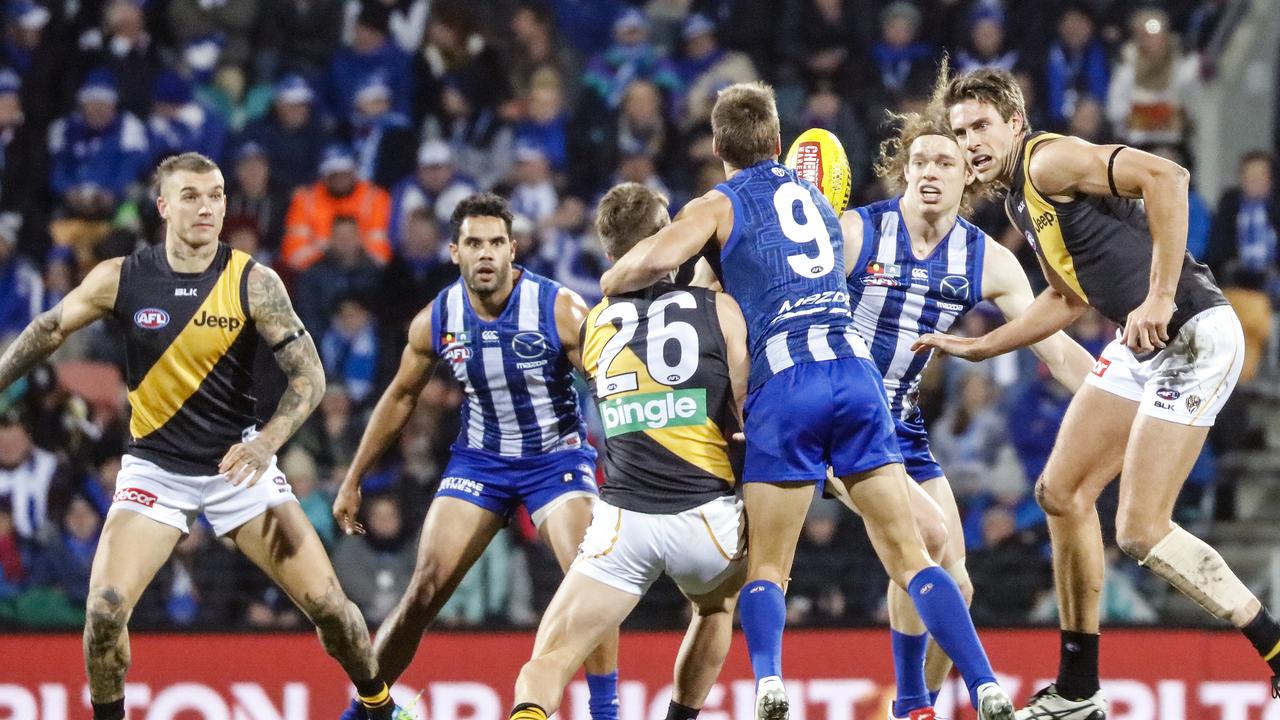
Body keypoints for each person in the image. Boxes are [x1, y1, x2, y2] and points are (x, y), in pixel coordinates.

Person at [600, 82, 1013, 720]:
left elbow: (652, 266)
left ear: (717, 145)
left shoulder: (719, 203)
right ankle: (983, 684)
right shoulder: (823, 206)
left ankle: (769, 681)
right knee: (916, 553)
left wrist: (614, 278)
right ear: (779, 142)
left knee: (769, 564)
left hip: (784, 385)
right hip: (855, 377)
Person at [0, 152, 408, 720]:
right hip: (155, 471)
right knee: (103, 615)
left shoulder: (253, 282)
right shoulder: (121, 278)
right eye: (191, 196)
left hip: (238, 466)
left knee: (330, 608)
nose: (207, 207)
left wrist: (267, 443)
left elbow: (310, 378)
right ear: (163, 206)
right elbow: (48, 330)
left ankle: (380, 705)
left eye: (216, 195)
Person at [926, 66, 1280, 718]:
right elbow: (1067, 297)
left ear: (1014, 123)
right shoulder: (1017, 198)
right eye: (960, 131)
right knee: (1059, 493)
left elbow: (1167, 178)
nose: (971, 141)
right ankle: (1079, 691)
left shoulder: (1048, 160)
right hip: (1142, 342)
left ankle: (1277, 648)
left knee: (1141, 531)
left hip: (1194, 335)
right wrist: (980, 347)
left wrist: (1161, 294)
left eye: (981, 125)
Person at [838, 112, 1095, 719]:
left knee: (956, 581)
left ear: (967, 179)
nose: (930, 171)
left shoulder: (989, 261)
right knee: (925, 541)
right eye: (920, 161)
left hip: (902, 426)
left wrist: (1125, 400)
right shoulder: (854, 232)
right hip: (840, 419)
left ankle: (914, 704)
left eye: (945, 162)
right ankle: (911, 706)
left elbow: (1055, 350)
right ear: (903, 171)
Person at [332, 193, 620, 720]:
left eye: (494, 243)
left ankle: (607, 713)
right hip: (480, 462)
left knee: (591, 575)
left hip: (556, 460)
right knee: (423, 590)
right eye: (473, 244)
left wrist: (631, 460)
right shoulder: (436, 318)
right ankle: (364, 710)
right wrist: (354, 477)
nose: (485, 254)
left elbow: (610, 388)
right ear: (454, 251)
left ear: (513, 249)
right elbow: (399, 397)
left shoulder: (558, 309)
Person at [509, 181, 747, 720]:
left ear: (612, 254)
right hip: (708, 521)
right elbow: (747, 411)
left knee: (544, 664)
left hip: (624, 525)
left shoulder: (592, 325)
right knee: (714, 609)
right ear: (670, 240)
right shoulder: (722, 310)